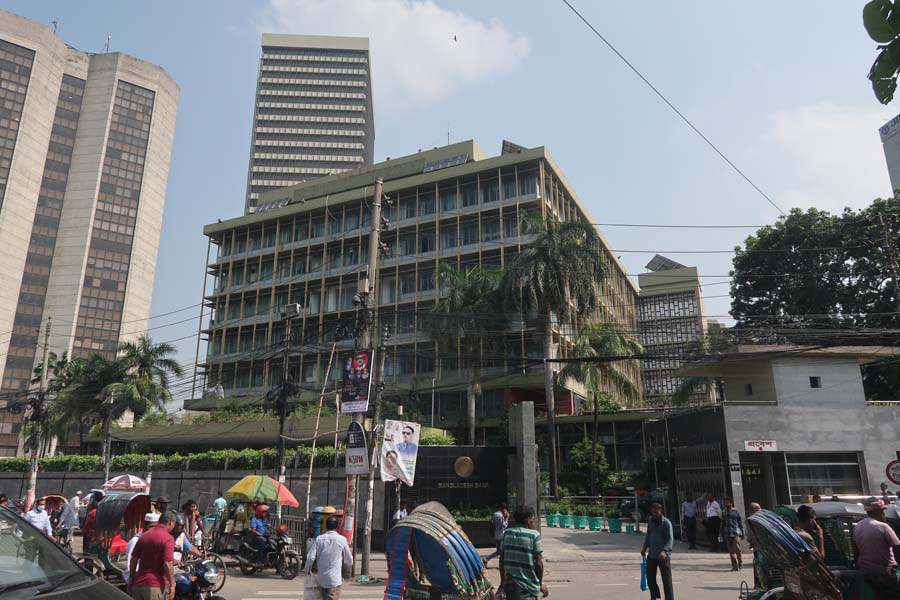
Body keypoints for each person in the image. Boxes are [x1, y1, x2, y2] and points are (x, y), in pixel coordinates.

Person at [852, 497, 900, 599]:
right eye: (883, 511)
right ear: (879, 511)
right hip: (886, 574)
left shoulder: (858, 526)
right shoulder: (883, 526)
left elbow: (855, 551)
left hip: (867, 574)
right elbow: (897, 547)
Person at [499, 506, 548, 599]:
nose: (534, 521)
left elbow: (502, 560)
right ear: (528, 519)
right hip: (527, 588)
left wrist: (502, 583)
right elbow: (538, 563)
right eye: (533, 519)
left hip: (509, 586)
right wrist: (540, 583)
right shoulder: (534, 535)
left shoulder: (507, 533)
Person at [128, 510, 176, 600]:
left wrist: (131, 578)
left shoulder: (144, 536)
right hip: (154, 586)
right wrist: (172, 585)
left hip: (138, 585)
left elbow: (133, 560)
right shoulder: (168, 538)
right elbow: (167, 563)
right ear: (171, 523)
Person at [306, 515, 353, 599]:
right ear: (337, 527)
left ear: (326, 526)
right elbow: (349, 560)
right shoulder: (342, 539)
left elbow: (310, 557)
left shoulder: (319, 539)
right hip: (335, 580)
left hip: (322, 579)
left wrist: (308, 570)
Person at [641, 502, 674, 600]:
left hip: (663, 556)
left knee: (667, 581)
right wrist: (644, 548)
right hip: (652, 555)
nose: (654, 514)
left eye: (656, 512)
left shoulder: (666, 523)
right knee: (650, 578)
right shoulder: (651, 521)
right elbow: (648, 535)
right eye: (653, 512)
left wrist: (665, 550)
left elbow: (670, 539)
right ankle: (654, 597)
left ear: (661, 511)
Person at [125, 513, 159, 587]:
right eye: (151, 526)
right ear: (145, 526)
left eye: (156, 527)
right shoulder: (135, 541)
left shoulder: (155, 540)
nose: (154, 529)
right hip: (137, 582)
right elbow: (130, 566)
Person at [721, 497, 744, 571]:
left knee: (737, 549)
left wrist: (742, 532)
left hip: (735, 533)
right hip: (727, 533)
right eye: (725, 503)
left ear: (731, 503)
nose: (726, 504)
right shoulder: (724, 512)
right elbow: (722, 523)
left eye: (727, 502)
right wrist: (721, 533)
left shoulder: (736, 511)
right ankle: (734, 566)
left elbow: (740, 522)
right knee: (731, 551)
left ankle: (740, 563)